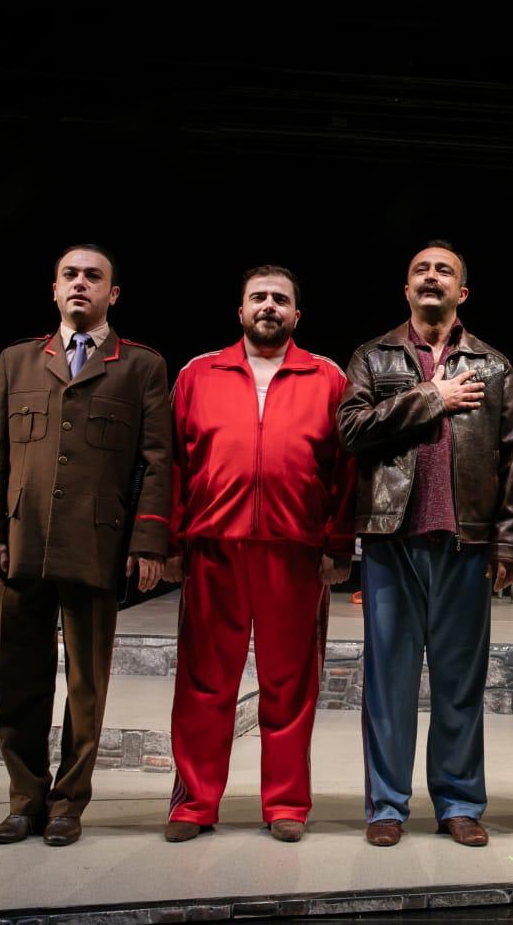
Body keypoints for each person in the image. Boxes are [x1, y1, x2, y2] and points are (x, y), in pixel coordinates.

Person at [0, 244, 172, 847]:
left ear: (114, 293)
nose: (80, 283)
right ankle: (24, 800)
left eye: (93, 276)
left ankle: (68, 804)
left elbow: (157, 461)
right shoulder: (17, 360)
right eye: (70, 275)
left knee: (86, 686)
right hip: (22, 542)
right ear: (54, 290)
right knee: (18, 681)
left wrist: (148, 541)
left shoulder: (140, 366)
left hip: (96, 546)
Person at [337, 241, 513, 848]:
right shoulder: (372, 356)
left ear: (461, 291)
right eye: (420, 269)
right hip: (392, 541)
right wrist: (431, 398)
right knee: (388, 684)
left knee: (459, 684)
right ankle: (387, 807)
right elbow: (350, 429)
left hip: (466, 546)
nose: (431, 276)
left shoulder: (494, 366)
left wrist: (508, 544)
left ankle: (459, 802)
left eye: (443, 270)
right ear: (406, 288)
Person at [162, 265, 355, 844]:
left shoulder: (328, 377)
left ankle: (287, 803)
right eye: (258, 297)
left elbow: (345, 472)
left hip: (295, 553)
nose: (269, 305)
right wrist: (171, 543)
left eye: (280, 299)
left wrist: (338, 545)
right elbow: (173, 465)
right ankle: (194, 804)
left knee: (290, 685)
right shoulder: (198, 373)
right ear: (240, 311)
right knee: (203, 683)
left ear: (297, 314)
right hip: (213, 549)